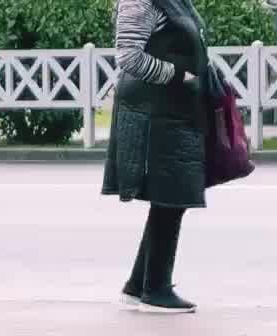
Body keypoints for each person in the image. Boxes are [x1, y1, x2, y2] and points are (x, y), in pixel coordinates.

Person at [103, 0, 220, 314]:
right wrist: (178, 75)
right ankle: (155, 290)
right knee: (171, 196)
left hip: (177, 109)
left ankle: (139, 286)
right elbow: (128, 56)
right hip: (155, 110)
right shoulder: (138, 2)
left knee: (171, 198)